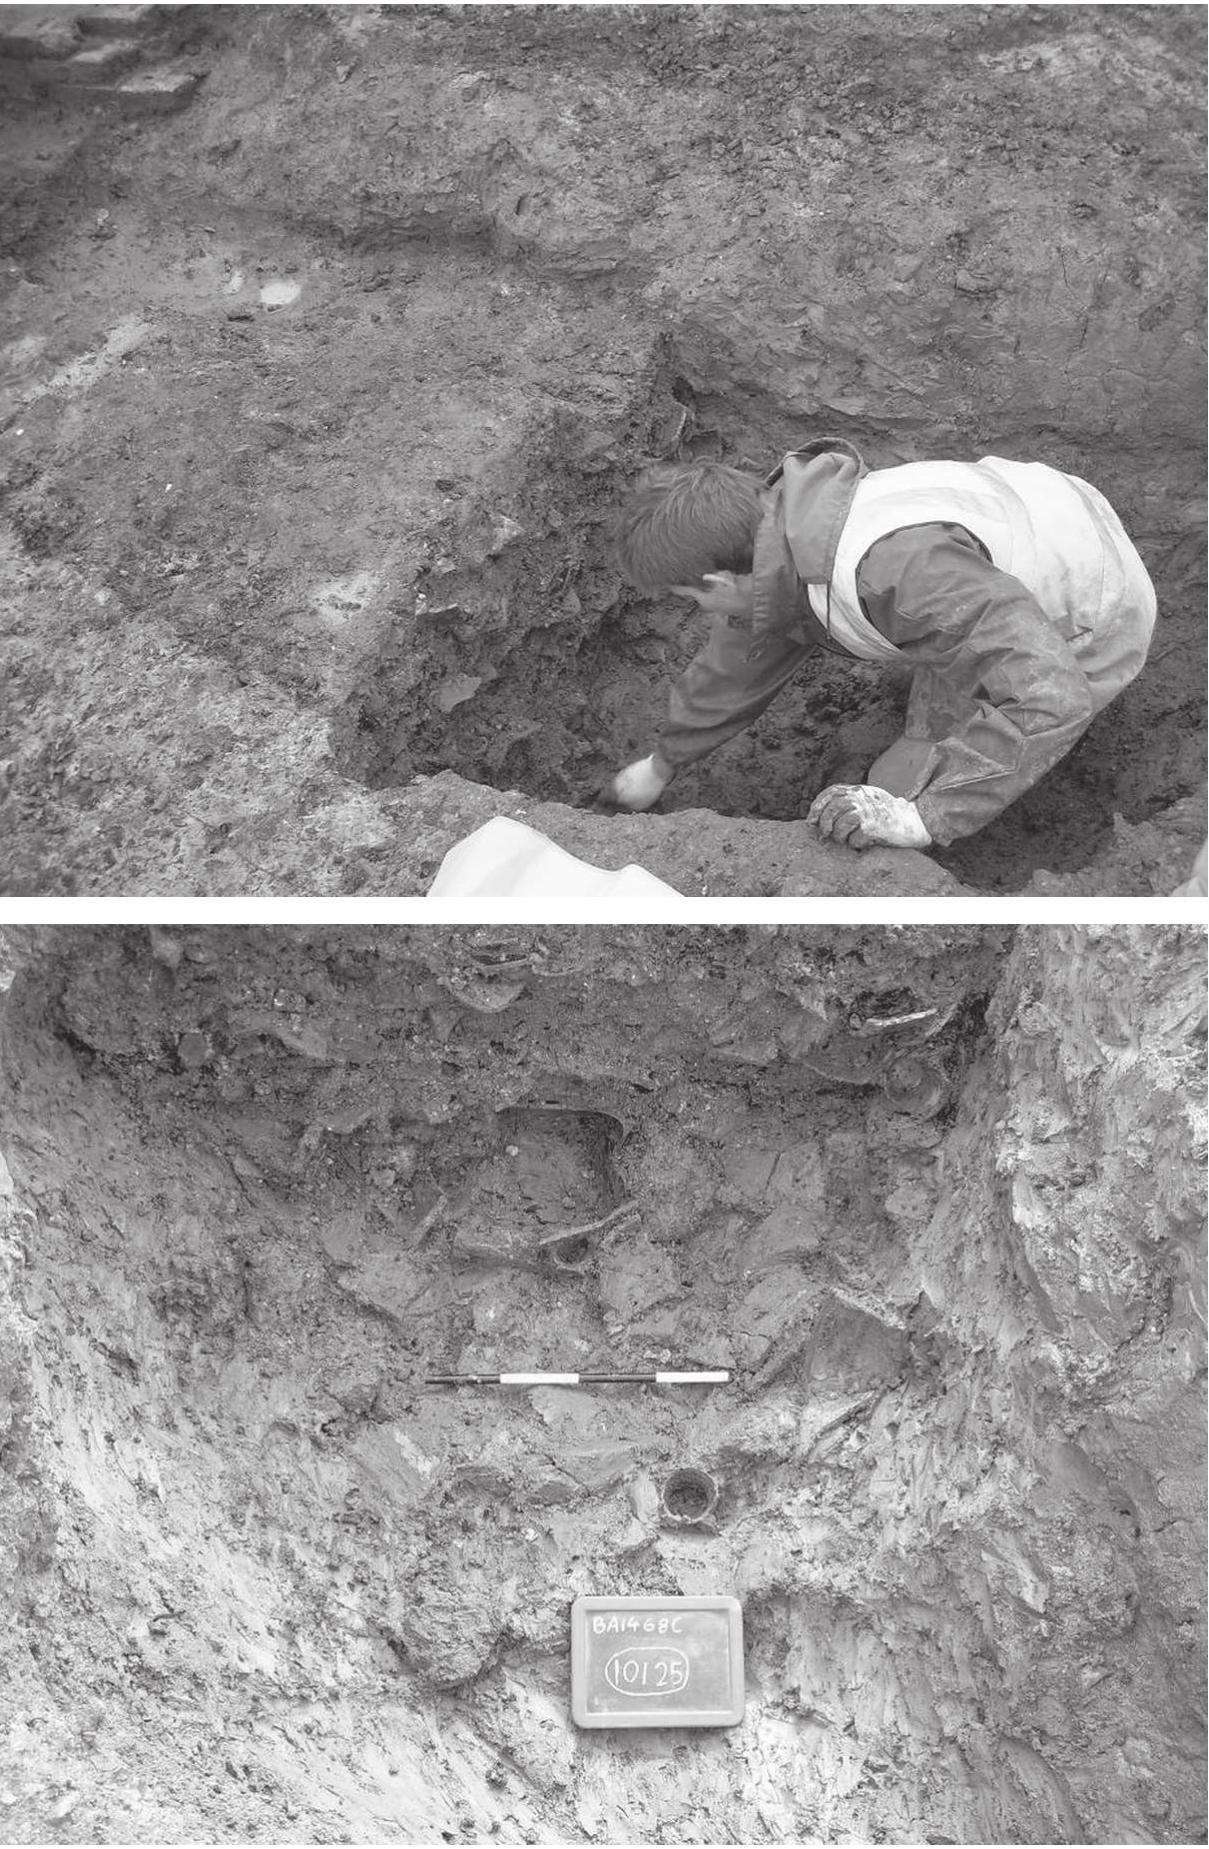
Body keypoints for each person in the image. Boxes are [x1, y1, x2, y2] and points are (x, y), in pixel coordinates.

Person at [603, 439, 1157, 851]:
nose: (695, 609)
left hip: (1089, 601)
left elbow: (1051, 695)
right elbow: (740, 660)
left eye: (686, 596)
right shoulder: (783, 535)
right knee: (912, 752)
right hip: (1025, 518)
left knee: (903, 797)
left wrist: (927, 818)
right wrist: (662, 763)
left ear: (719, 584)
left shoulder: (897, 576)